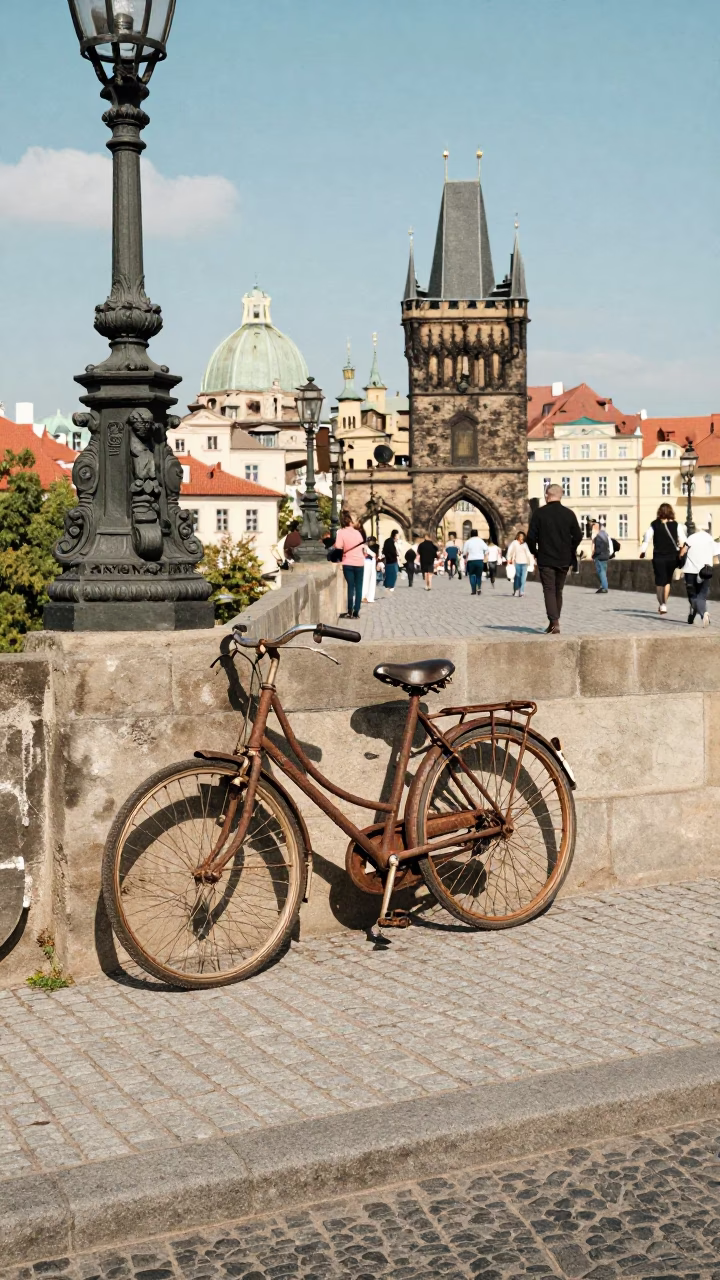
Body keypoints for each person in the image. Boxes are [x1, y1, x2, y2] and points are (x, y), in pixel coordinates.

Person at [527, 484, 582, 634]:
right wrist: (571, 549)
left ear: (547, 495)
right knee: (558, 590)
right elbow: (578, 535)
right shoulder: (569, 514)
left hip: (546, 558)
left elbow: (530, 538)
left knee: (549, 590)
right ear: (561, 495)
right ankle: (554, 622)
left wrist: (535, 553)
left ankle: (554, 622)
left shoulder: (539, 513)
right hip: (564, 558)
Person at [639, 504, 686, 616]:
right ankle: (665, 603)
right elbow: (683, 540)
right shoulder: (676, 525)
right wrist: (682, 552)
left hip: (659, 556)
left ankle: (662, 605)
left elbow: (647, 539)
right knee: (667, 581)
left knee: (659, 582)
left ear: (659, 511)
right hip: (672, 557)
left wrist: (643, 551)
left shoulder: (654, 525)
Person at [681, 527, 720, 626]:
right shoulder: (710, 539)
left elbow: (683, 552)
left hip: (690, 571)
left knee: (693, 596)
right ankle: (693, 615)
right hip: (705, 571)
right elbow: (717, 553)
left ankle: (703, 614)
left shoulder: (691, 538)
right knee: (702, 596)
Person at [332, 511, 368, 619]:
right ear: (350, 522)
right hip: (359, 563)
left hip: (347, 562)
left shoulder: (341, 532)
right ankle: (356, 611)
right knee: (359, 587)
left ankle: (349, 611)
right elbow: (363, 546)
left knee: (350, 586)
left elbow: (338, 546)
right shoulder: (357, 533)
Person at [462, 528, 489, 596]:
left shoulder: (468, 542)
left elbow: (464, 552)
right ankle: (479, 587)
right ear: (477, 534)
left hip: (471, 560)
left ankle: (473, 590)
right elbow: (486, 550)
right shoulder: (481, 541)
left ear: (470, 534)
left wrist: (464, 556)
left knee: (471, 575)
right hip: (479, 560)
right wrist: (485, 556)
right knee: (478, 575)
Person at [507, 531, 534, 597]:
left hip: (525, 563)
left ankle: (521, 591)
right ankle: (516, 590)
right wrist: (509, 559)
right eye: (520, 536)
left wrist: (531, 562)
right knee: (517, 577)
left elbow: (528, 554)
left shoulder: (525, 544)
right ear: (518, 537)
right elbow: (510, 551)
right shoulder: (515, 543)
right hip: (517, 563)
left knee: (523, 578)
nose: (521, 537)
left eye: (523, 536)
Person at [591, 520, 612, 594]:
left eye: (593, 527)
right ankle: (603, 586)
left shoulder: (598, 536)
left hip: (600, 556)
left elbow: (598, 549)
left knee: (601, 572)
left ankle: (604, 588)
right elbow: (610, 545)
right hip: (605, 555)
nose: (592, 529)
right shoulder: (605, 534)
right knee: (603, 571)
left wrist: (593, 555)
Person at [360, 524, 377, 604]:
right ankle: (363, 596)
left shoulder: (365, 546)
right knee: (366, 580)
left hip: (366, 563)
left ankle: (364, 595)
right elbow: (373, 554)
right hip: (367, 563)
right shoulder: (365, 546)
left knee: (365, 580)